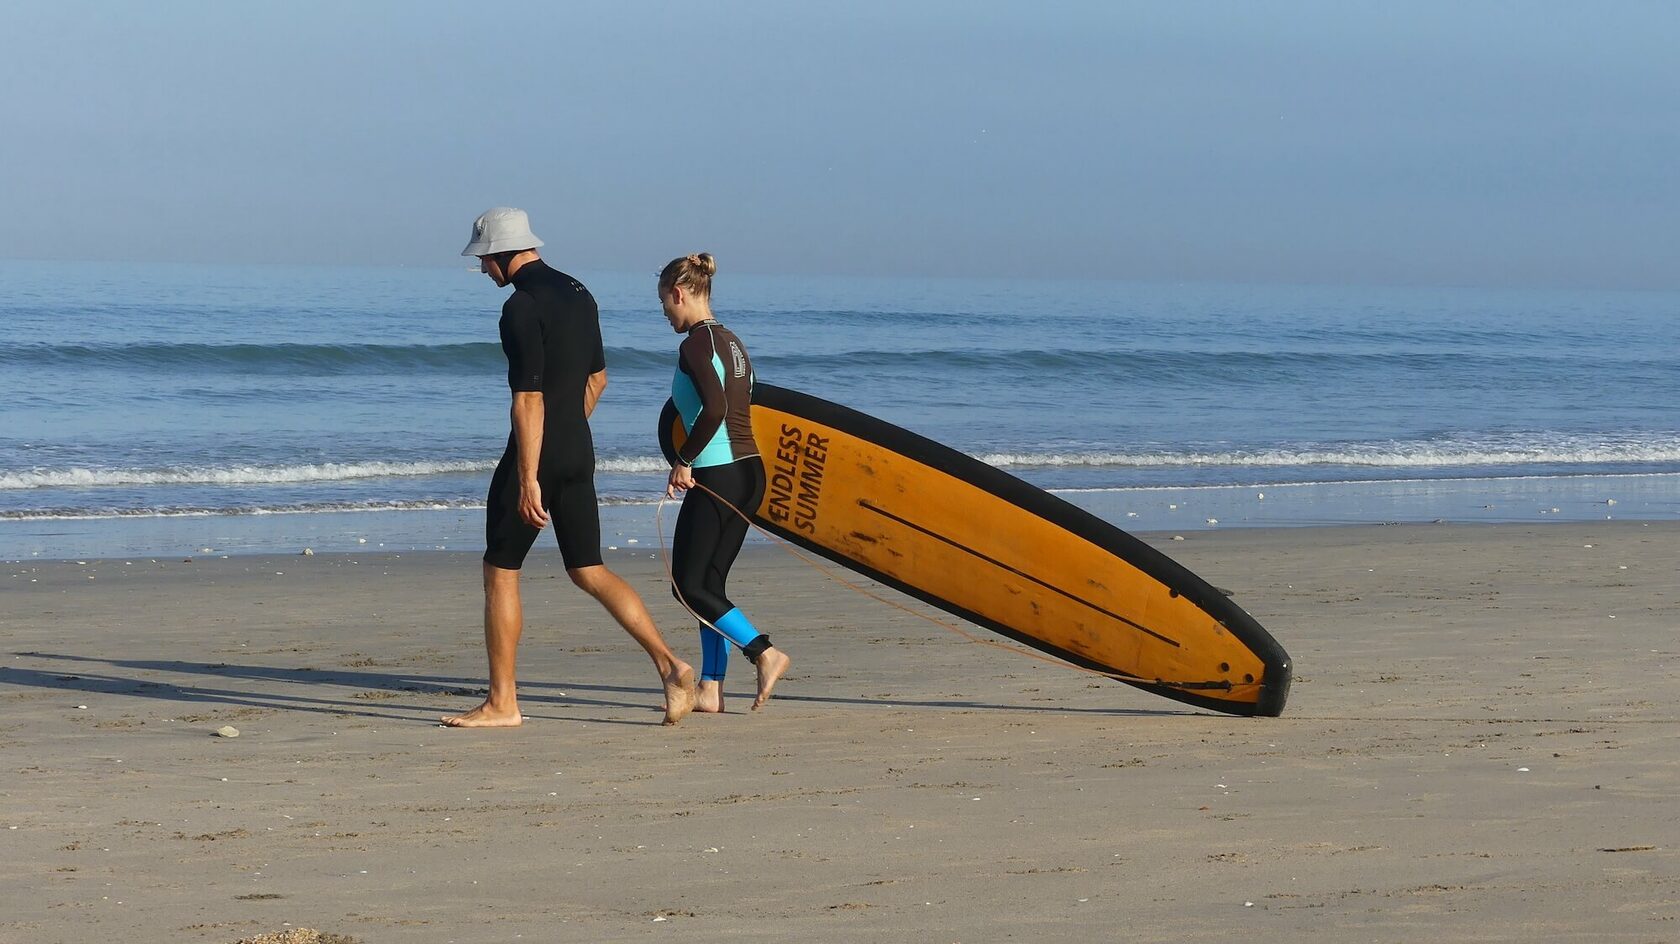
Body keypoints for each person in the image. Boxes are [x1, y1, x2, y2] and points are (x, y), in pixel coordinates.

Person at [442, 207, 696, 727]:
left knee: (501, 571)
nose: (485, 271)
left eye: (485, 261)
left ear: (500, 255)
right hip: (578, 449)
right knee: (589, 569)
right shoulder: (581, 293)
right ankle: (671, 666)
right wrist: (565, 436)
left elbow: (528, 400)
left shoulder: (521, 307)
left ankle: (502, 703)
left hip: (538, 453)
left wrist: (530, 474)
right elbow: (598, 380)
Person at [660, 252, 791, 711]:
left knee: (687, 585)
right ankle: (711, 689)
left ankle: (764, 652)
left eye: (665, 305)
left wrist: (684, 460)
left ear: (680, 294)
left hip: (719, 473)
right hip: (750, 471)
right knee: (708, 585)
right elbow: (745, 399)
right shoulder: (733, 343)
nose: (666, 315)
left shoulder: (695, 344)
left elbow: (713, 410)